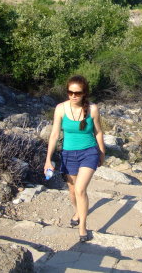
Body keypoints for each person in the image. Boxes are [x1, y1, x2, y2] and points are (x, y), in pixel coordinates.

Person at [44, 75, 105, 242]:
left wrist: (101, 152)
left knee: (80, 189)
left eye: (77, 93)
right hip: (68, 154)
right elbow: (55, 134)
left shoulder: (93, 109)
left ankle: (83, 227)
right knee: (72, 191)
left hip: (89, 152)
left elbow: (98, 132)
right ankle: (77, 211)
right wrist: (48, 159)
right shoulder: (60, 108)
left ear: (84, 93)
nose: (73, 96)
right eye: (70, 92)